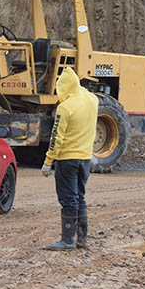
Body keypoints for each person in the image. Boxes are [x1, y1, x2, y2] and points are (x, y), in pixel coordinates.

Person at [41, 67, 97, 251]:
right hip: (85, 159)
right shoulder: (92, 100)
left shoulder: (65, 108)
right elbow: (85, 92)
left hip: (67, 160)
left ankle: (67, 240)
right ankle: (82, 239)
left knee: (68, 200)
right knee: (80, 197)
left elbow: (56, 138)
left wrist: (48, 162)